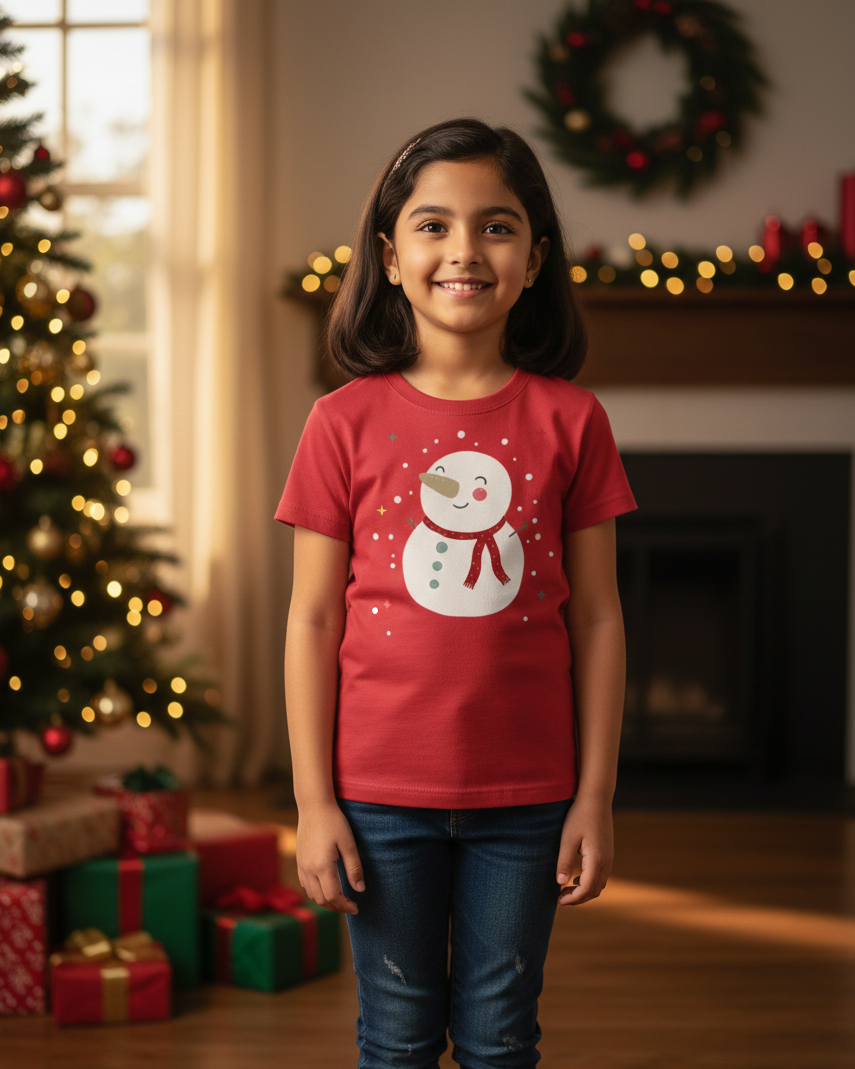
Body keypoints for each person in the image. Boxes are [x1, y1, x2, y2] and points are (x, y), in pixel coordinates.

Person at [275, 117, 638, 1069]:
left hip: (527, 799)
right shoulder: (339, 422)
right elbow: (313, 620)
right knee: (393, 1037)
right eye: (433, 226)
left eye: (497, 226)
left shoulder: (573, 419)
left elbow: (598, 619)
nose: (464, 251)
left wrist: (593, 794)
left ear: (534, 257)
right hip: (376, 798)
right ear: (390, 257)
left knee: (499, 1032)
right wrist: (314, 801)